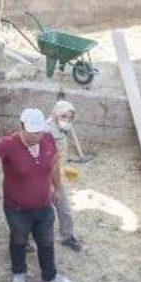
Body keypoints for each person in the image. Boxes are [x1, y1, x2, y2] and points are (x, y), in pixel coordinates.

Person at [0, 108, 71, 282]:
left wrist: (56, 187)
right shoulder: (8, 145)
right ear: (21, 127)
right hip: (16, 208)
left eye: (40, 131)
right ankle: (19, 272)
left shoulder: (48, 139)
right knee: (19, 239)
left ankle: (50, 274)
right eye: (34, 132)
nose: (38, 136)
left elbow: (53, 165)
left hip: (43, 205)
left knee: (46, 240)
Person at [45, 100, 82, 252]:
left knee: (64, 207)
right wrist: (52, 184)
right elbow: (47, 159)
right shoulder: (46, 131)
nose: (67, 120)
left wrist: (65, 169)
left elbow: (60, 154)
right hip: (45, 176)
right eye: (64, 116)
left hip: (56, 173)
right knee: (37, 209)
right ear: (55, 114)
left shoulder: (60, 129)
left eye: (69, 117)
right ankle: (25, 240)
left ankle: (67, 236)